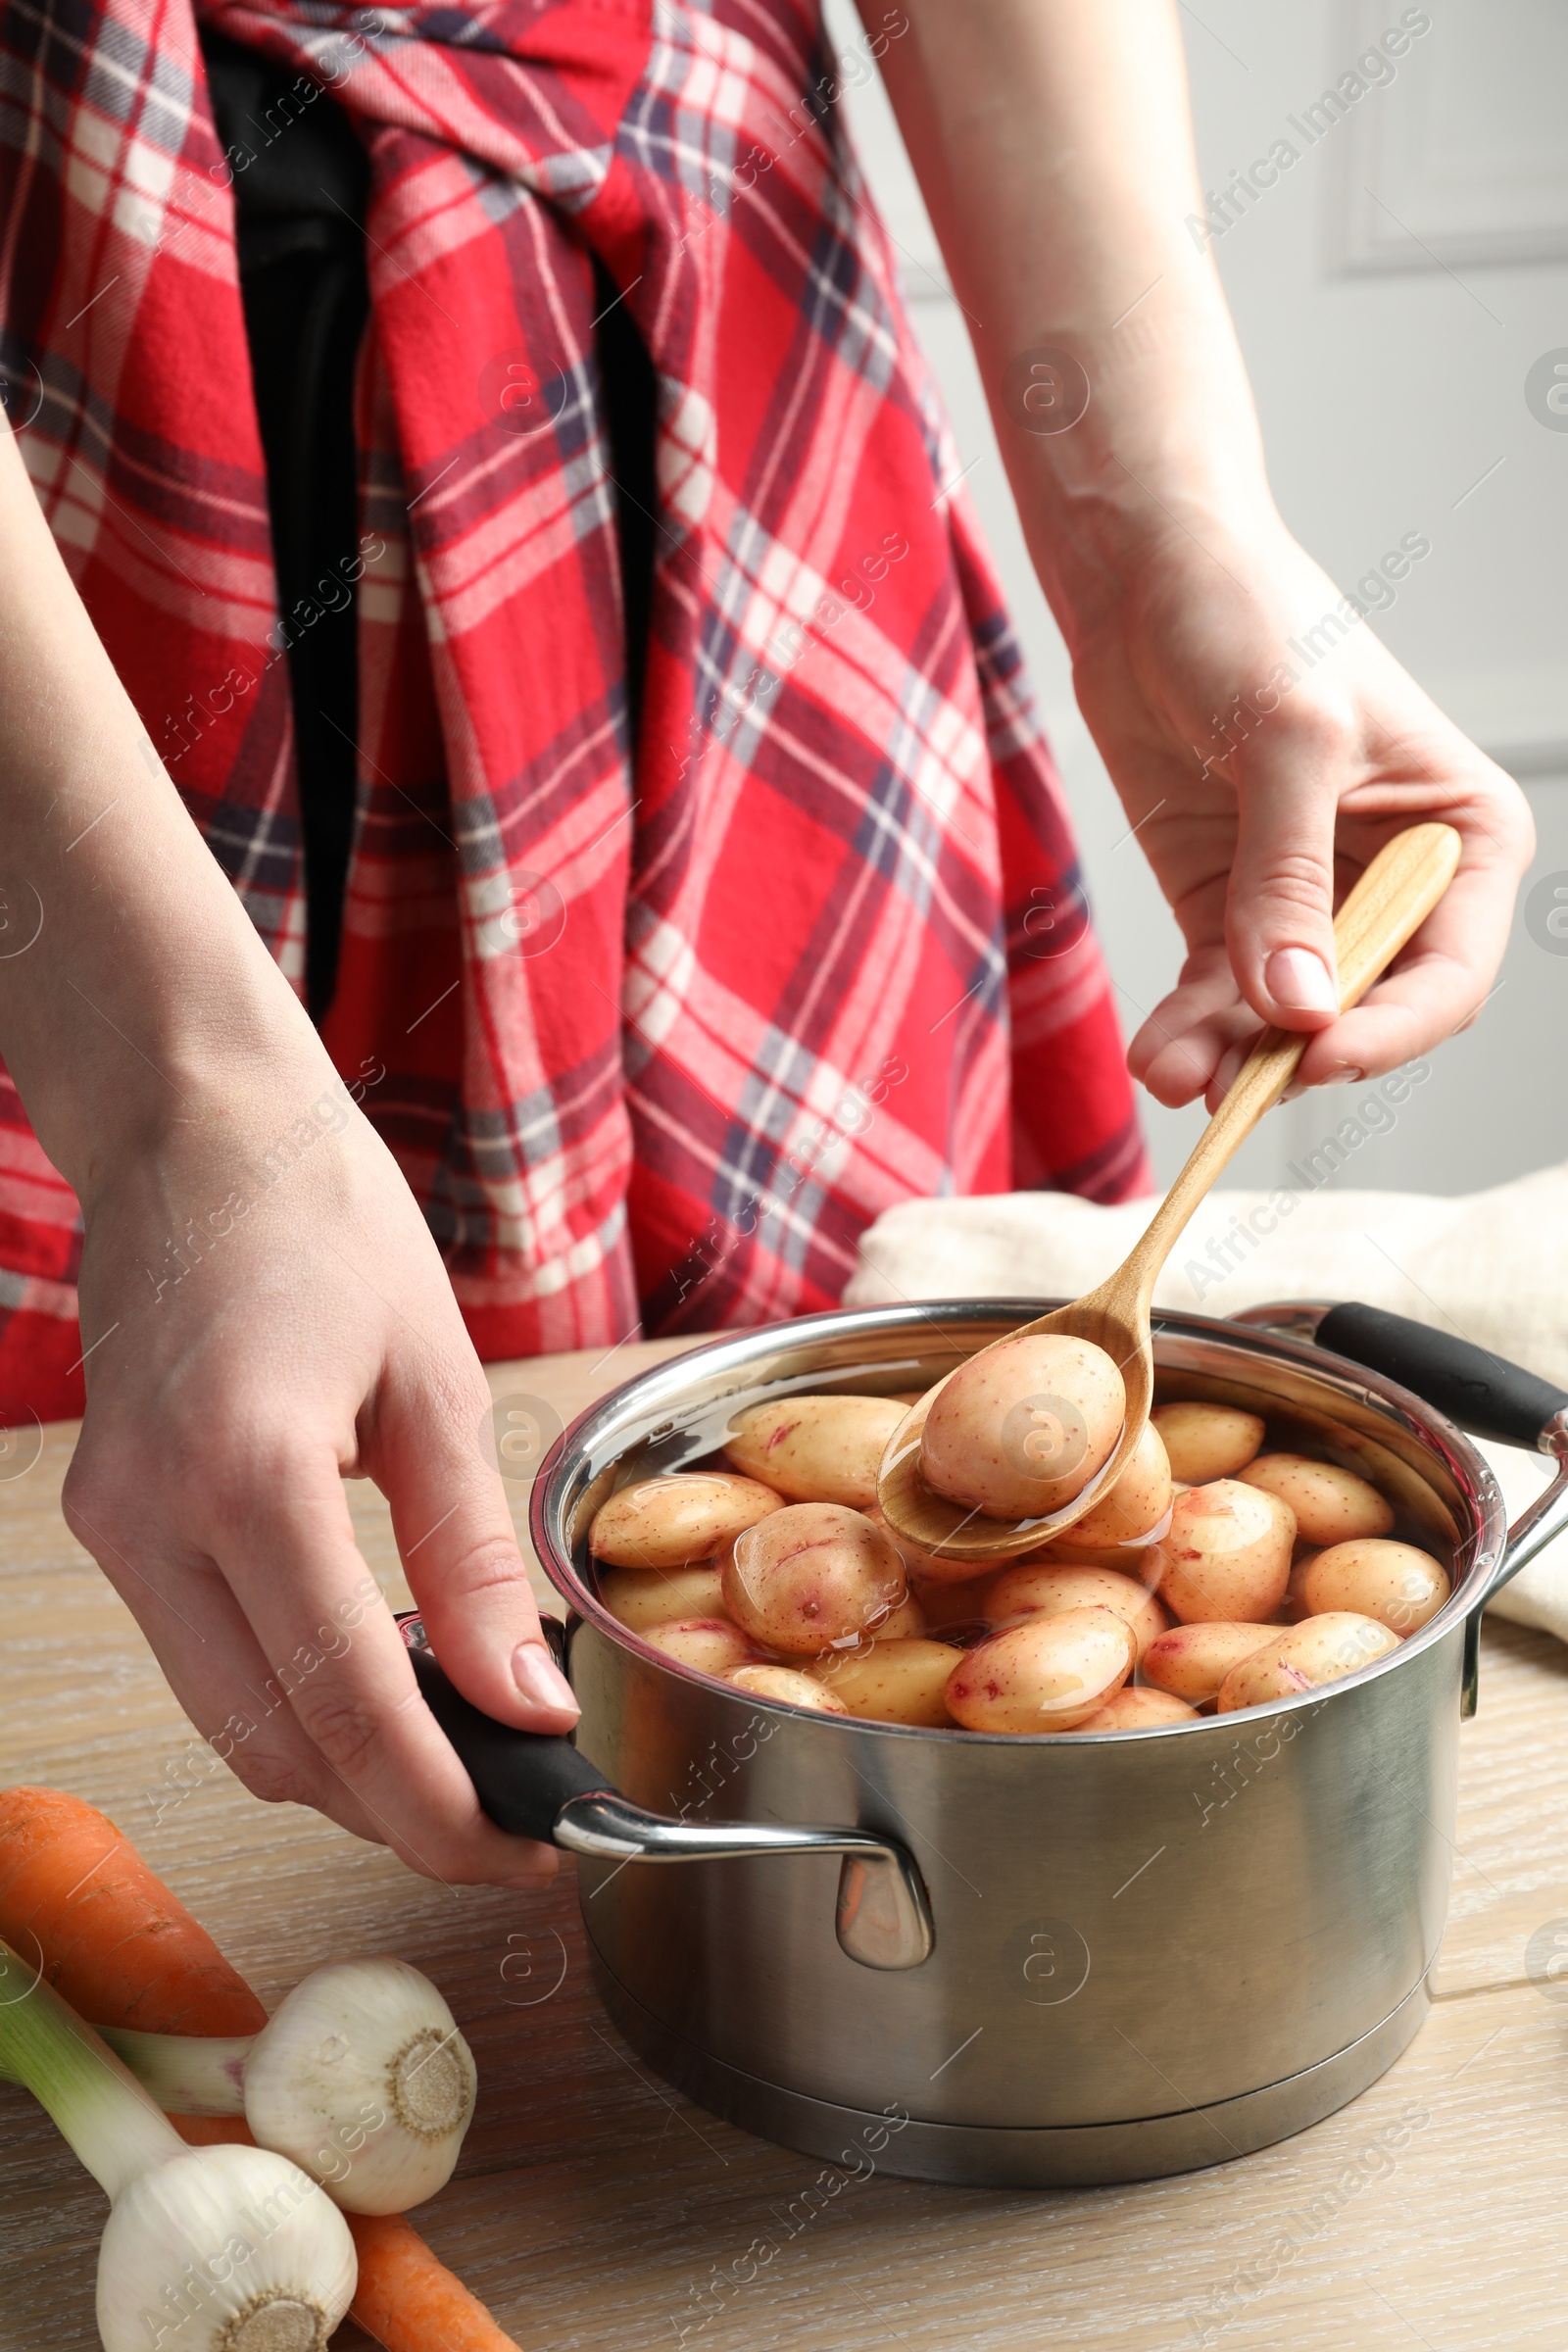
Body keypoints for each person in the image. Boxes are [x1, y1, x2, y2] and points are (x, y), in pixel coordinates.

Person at [0, 0, 1531, 1892]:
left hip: (716, 382)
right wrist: (163, 1093)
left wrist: (1156, 525)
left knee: (812, 1301)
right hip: (72, 538)